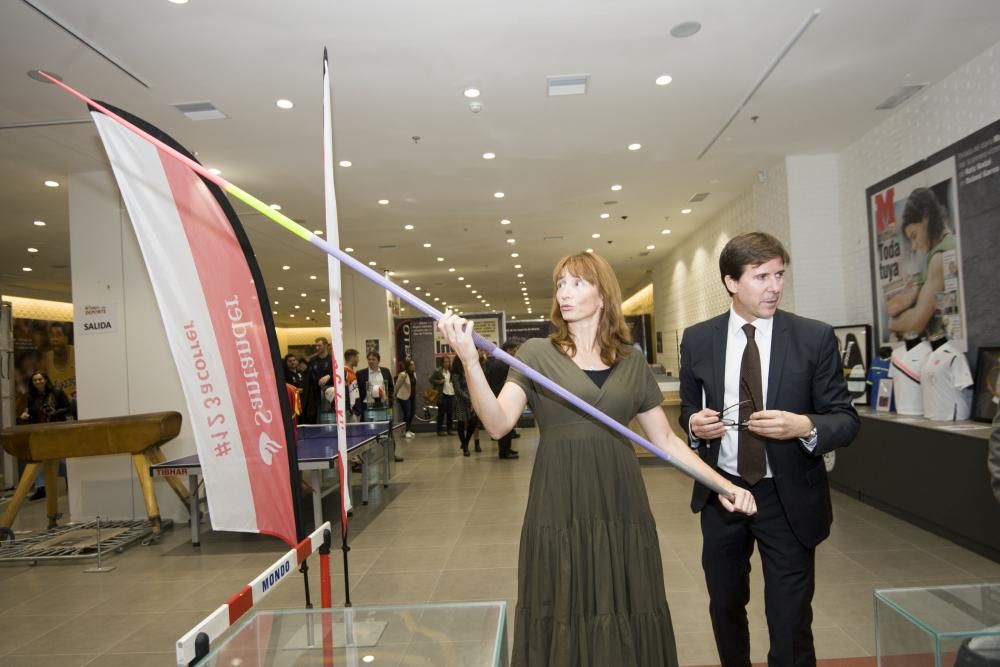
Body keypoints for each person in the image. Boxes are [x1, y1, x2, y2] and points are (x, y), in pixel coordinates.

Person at [438, 252, 756, 666]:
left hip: (619, 499)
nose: (564, 292)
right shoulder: (536, 354)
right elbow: (498, 424)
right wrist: (467, 359)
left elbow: (667, 441)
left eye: (577, 283)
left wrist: (724, 485)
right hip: (559, 497)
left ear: (602, 294)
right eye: (560, 284)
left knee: (625, 595)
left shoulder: (630, 360)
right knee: (563, 596)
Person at [679, 232, 860, 667]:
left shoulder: (813, 338)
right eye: (761, 276)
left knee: (790, 619)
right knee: (725, 607)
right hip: (722, 493)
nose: (774, 286)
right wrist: (694, 424)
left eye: (779, 274)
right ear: (731, 282)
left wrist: (803, 425)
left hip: (789, 497)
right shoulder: (698, 339)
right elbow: (688, 409)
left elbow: (846, 419)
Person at [887, 187, 957, 339]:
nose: (914, 246)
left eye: (914, 235)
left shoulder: (940, 257)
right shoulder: (942, 250)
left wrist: (892, 324)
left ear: (926, 215)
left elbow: (916, 323)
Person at [19, 372, 72, 500]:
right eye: (35, 380)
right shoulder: (31, 396)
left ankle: (70, 483)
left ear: (46, 380)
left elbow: (68, 408)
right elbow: (32, 413)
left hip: (56, 429)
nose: (38, 382)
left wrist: (55, 412)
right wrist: (26, 416)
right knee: (39, 458)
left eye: (40, 379)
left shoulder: (57, 392)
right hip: (39, 431)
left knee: (63, 457)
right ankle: (41, 488)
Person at [357, 351, 403, 462]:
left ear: (378, 360)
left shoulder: (385, 371)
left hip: (384, 406)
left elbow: (391, 387)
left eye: (373, 359)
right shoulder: (361, 374)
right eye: (369, 359)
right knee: (367, 432)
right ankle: (367, 456)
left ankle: (391, 454)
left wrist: (390, 400)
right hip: (368, 407)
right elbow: (358, 391)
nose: (371, 361)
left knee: (388, 431)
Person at [484, 338, 522, 459]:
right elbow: (502, 382)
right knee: (505, 425)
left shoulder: (500, 362)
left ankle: (506, 449)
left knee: (507, 425)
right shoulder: (503, 363)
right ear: (509, 349)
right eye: (515, 349)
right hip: (501, 396)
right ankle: (504, 451)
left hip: (498, 396)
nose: (517, 351)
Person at [450, 355, 479, 456]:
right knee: (461, 424)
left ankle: (465, 443)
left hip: (469, 401)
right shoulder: (455, 374)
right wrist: (468, 398)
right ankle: (465, 447)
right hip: (460, 401)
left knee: (473, 422)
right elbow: (458, 390)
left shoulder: (466, 372)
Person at [302, 337, 333, 424]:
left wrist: (329, 376)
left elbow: (339, 375)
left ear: (326, 345)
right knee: (319, 417)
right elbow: (308, 379)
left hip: (330, 392)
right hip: (316, 393)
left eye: (319, 345)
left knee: (330, 417)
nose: (317, 348)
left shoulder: (332, 359)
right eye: (316, 346)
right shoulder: (312, 361)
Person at [429, 356, 455, 436]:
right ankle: (439, 430)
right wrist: (439, 381)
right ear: (442, 362)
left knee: (450, 413)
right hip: (442, 394)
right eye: (445, 362)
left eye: (448, 362)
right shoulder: (438, 371)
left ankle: (449, 430)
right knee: (441, 413)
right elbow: (430, 379)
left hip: (451, 393)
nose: (447, 363)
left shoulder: (451, 371)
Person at [395, 359, 417, 438]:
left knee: (412, 413)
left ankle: (408, 429)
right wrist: (394, 395)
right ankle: (404, 431)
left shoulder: (414, 374)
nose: (413, 366)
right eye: (411, 365)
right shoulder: (403, 374)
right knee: (407, 414)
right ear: (408, 366)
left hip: (412, 397)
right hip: (404, 397)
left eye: (413, 364)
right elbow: (397, 386)